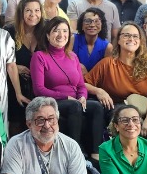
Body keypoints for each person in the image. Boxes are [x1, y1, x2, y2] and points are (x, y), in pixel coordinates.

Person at [84, 23, 147, 163]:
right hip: (118, 107)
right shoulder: (107, 64)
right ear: (118, 40)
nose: (131, 38)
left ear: (140, 41)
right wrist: (98, 91)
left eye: (135, 36)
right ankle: (126, 167)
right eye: (126, 35)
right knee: (125, 117)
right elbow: (83, 83)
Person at [31, 17, 105, 159]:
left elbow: (81, 85)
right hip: (51, 102)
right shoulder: (39, 56)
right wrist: (66, 97)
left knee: (96, 106)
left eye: (65, 31)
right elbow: (39, 90)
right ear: (48, 35)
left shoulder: (73, 56)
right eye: (56, 31)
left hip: (75, 101)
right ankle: (74, 153)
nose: (61, 35)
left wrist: (82, 96)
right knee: (73, 106)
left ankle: (95, 154)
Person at [3, 0, 42, 135]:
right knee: (17, 123)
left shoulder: (44, 31)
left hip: (38, 85)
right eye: (28, 11)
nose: (33, 15)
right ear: (21, 12)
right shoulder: (9, 31)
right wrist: (15, 66)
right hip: (14, 83)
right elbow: (0, 59)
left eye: (37, 10)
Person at [72, 8, 112, 74]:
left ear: (102, 25)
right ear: (82, 25)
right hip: (74, 79)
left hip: (96, 83)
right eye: (87, 21)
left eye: (97, 21)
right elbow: (66, 62)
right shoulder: (73, 39)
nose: (92, 25)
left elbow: (106, 73)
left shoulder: (108, 47)